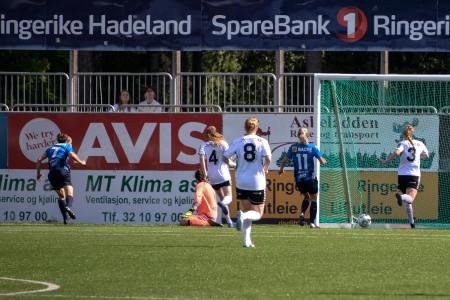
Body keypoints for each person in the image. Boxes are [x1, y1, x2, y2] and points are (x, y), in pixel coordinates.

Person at [223, 117, 272, 248]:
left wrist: (232, 164)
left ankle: (246, 241)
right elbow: (268, 158)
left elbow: (225, 157)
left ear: (245, 128)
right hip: (256, 181)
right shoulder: (262, 141)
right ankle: (243, 217)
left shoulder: (238, 141)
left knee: (247, 210)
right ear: (256, 128)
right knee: (257, 214)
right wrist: (266, 167)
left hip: (241, 181)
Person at [378, 124, 429, 228]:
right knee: (409, 198)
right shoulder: (420, 143)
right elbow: (426, 155)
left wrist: (386, 161)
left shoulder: (402, 143)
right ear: (413, 133)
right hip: (413, 174)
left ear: (403, 134)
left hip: (401, 175)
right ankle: (400, 197)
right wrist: (418, 157)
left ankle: (412, 223)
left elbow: (397, 152)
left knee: (407, 201)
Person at [278, 127, 327, 228]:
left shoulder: (293, 148)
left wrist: (281, 169)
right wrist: (324, 160)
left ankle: (302, 213)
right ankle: (312, 223)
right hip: (310, 178)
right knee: (314, 199)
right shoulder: (312, 148)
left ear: (298, 135)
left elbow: (283, 160)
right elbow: (322, 161)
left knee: (306, 197)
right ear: (308, 135)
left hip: (299, 179)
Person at [36, 133, 86, 224]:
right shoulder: (66, 146)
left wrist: (38, 174)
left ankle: (65, 218)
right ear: (67, 142)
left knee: (61, 196)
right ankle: (68, 207)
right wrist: (81, 162)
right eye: (71, 143)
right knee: (69, 192)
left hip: (52, 174)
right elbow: (72, 155)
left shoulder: (50, 148)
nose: (71, 144)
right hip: (62, 171)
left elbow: (39, 159)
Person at [198, 126, 235, 228]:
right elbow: (229, 157)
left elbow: (201, 157)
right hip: (223, 175)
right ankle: (223, 205)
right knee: (228, 197)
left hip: (213, 177)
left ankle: (229, 222)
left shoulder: (204, 145)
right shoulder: (222, 144)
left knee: (223, 198)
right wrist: (232, 163)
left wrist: (205, 172)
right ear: (216, 133)